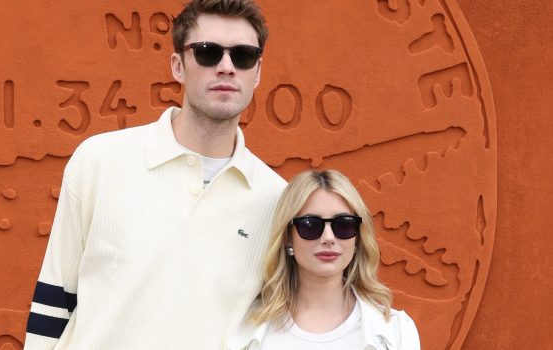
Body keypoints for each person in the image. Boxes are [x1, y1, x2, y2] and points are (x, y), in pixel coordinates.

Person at [24, 1, 286, 348]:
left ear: (257, 72)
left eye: (243, 55)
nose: (226, 67)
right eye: (207, 53)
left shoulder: (275, 198)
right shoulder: (100, 160)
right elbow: (54, 297)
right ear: (178, 66)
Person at [228, 170, 420, 350]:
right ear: (287, 236)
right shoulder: (240, 328)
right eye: (310, 225)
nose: (328, 238)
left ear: (357, 238)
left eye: (343, 225)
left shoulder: (396, 331)